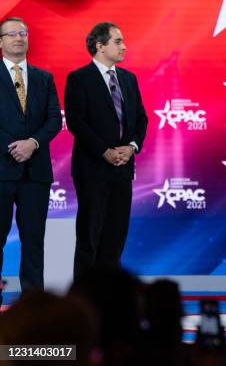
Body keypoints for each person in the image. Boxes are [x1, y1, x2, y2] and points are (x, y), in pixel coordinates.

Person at [64, 22, 148, 278]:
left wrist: (131, 147)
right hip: (93, 168)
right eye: (118, 41)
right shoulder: (79, 78)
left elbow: (141, 119)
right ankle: (83, 301)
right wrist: (105, 151)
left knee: (115, 235)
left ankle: (109, 299)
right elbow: (77, 122)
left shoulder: (128, 79)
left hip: (123, 169)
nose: (124, 47)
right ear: (100, 46)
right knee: (90, 234)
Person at [0, 17, 61, 304]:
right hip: (1, 170)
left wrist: (32, 144)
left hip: (36, 174)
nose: (18, 38)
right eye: (11, 34)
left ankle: (34, 305)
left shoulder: (43, 78)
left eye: (23, 33)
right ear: (1, 42)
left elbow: (53, 120)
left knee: (34, 241)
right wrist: (14, 148)